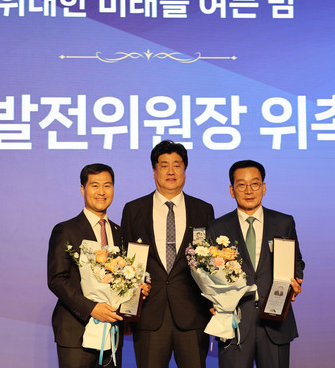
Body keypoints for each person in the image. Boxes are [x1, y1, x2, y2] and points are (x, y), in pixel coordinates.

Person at [121, 140, 214, 368]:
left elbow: (211, 263)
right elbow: (125, 261)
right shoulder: (134, 209)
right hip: (149, 315)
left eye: (177, 165)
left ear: (185, 171)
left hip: (193, 315)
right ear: (154, 171)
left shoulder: (203, 210)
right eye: (164, 165)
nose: (171, 171)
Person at [207, 160, 304, 368]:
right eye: (241, 185)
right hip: (235, 323)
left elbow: (296, 261)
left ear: (264, 187)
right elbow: (208, 272)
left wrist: (295, 281)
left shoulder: (284, 222)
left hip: (275, 321)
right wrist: (213, 301)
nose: (249, 191)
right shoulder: (217, 227)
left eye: (255, 184)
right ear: (232, 190)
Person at [47, 163, 126, 368]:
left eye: (107, 185)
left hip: (111, 333)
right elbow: (57, 280)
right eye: (95, 185)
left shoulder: (120, 232)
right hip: (76, 333)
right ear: (83, 189)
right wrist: (92, 308)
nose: (102, 192)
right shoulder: (65, 230)